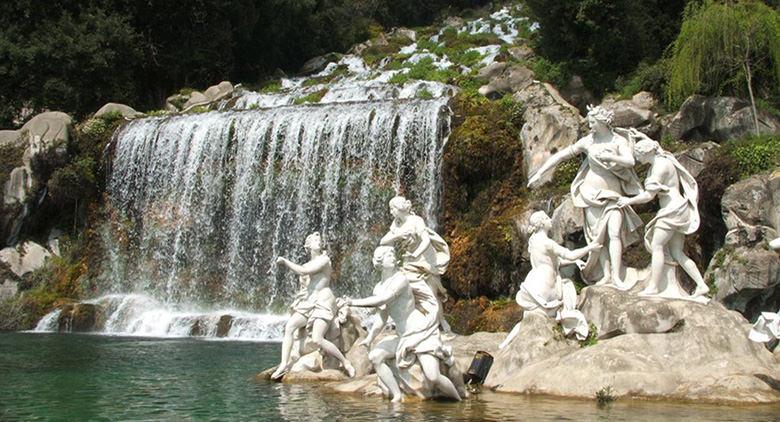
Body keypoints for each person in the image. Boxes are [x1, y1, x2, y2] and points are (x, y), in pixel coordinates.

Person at [528, 105, 643, 289]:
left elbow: (630, 161)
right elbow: (562, 156)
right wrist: (540, 172)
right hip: (589, 194)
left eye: (592, 122)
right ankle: (605, 275)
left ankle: (617, 276)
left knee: (614, 234)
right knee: (598, 237)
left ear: (602, 122)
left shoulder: (618, 141)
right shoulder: (588, 141)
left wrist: (613, 159)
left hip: (613, 195)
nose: (590, 126)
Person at [344, 246, 462, 402]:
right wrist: (370, 337)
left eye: (393, 254)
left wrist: (352, 302)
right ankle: (397, 395)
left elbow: (383, 299)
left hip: (420, 332)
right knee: (375, 357)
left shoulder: (400, 279)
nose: (393, 257)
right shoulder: (378, 287)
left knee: (433, 376)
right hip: (402, 335)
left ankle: (458, 401)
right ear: (380, 261)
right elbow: (382, 318)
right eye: (389, 255)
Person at [616, 133, 709, 298]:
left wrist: (627, 201)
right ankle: (701, 285)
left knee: (656, 245)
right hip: (680, 209)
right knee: (677, 252)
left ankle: (654, 287)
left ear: (646, 153)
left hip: (671, 211)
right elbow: (656, 145)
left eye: (638, 154)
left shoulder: (658, 168)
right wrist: (640, 136)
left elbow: (648, 196)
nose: (636, 159)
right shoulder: (663, 158)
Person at [499, 211, 600, 349]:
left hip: (533, 283)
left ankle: (504, 344)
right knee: (568, 287)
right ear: (542, 224)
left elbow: (551, 262)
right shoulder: (547, 243)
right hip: (546, 286)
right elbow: (569, 255)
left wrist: (576, 262)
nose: (550, 219)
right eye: (547, 218)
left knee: (528, 318)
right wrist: (590, 247)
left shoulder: (533, 241)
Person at [271, 232, 355, 380]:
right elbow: (304, 283)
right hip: (309, 302)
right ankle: (283, 364)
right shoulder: (306, 264)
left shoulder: (324, 260)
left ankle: (345, 362)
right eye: (315, 240)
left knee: (317, 338)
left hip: (323, 300)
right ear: (307, 246)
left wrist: (284, 261)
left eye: (319, 239)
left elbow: (304, 271)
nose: (319, 241)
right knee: (289, 327)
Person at [379, 196, 451, 333]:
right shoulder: (397, 224)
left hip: (425, 260)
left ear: (399, 208)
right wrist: (398, 235)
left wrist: (416, 254)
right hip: (409, 261)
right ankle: (412, 322)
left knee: (432, 293)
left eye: (392, 209)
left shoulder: (416, 221)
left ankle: (442, 322)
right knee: (408, 290)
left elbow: (426, 241)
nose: (390, 212)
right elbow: (383, 241)